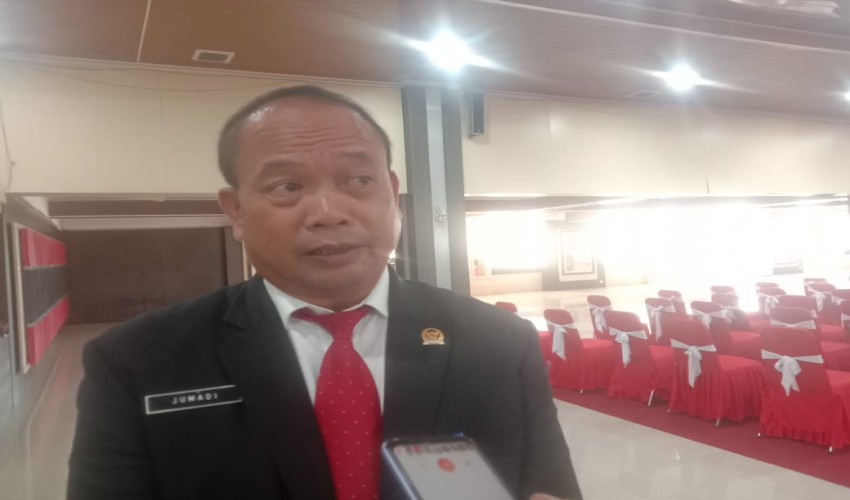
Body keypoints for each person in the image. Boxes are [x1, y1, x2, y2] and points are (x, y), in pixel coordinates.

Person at [67, 85, 582, 500]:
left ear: (392, 192)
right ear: (236, 211)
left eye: (358, 179)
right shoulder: (138, 361)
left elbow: (549, 487)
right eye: (287, 187)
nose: (329, 212)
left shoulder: (500, 342)